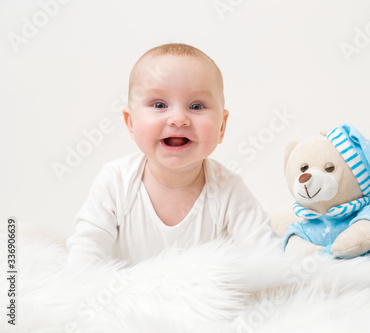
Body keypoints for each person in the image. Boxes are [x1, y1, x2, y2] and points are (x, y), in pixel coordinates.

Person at [66, 43, 281, 268]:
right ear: (131, 123)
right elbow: (86, 250)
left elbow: (268, 255)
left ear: (221, 127)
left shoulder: (228, 190)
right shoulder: (116, 181)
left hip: (202, 300)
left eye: (197, 106)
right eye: (159, 104)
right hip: (126, 298)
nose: (178, 118)